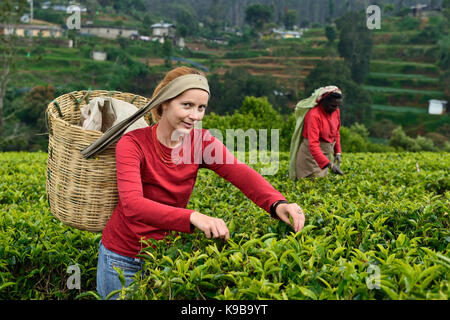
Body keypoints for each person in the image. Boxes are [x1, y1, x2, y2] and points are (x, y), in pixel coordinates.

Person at [96, 66, 306, 299]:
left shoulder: (201, 143)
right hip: (123, 258)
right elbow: (132, 204)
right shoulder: (133, 143)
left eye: (201, 108)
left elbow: (242, 174)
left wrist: (277, 203)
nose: (195, 115)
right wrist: (192, 217)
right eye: (186, 105)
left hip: (166, 256)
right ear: (164, 103)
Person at [289, 86, 344, 180]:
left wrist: (337, 152)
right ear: (323, 102)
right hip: (309, 158)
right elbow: (313, 145)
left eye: (338, 106)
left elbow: (336, 133)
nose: (335, 108)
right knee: (310, 185)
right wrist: (330, 165)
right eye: (333, 105)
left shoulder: (335, 111)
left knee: (321, 183)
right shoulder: (314, 115)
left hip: (324, 157)